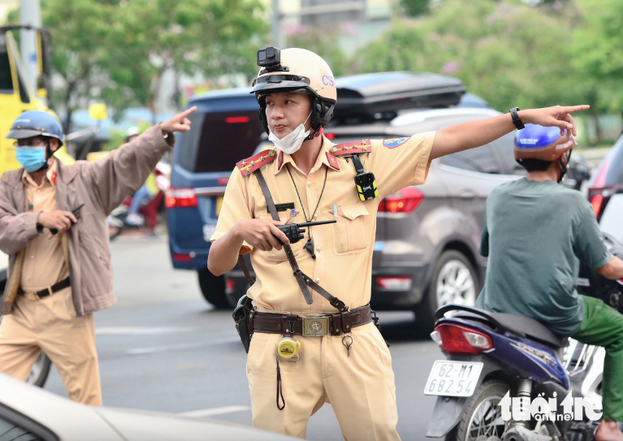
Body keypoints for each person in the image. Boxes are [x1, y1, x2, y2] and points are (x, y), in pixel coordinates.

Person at [206, 46, 589, 440]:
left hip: (353, 342)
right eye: (269, 103)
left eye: (289, 101)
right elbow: (217, 265)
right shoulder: (249, 177)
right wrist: (238, 233)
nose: (277, 115)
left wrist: (518, 118)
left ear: (318, 107)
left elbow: (446, 139)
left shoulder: (363, 163)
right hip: (279, 347)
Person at [0, 107, 195, 405]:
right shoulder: (9, 184)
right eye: (20, 144)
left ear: (53, 145)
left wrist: (160, 131)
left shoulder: (83, 177)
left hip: (66, 309)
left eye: (32, 143)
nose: (24, 150)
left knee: (85, 402)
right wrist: (39, 220)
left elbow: (122, 160)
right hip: (20, 309)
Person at [475, 124, 623, 441]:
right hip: (554, 311)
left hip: (495, 308)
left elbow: (487, 250)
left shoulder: (498, 195)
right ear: (562, 157)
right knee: (620, 331)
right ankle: (609, 427)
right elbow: (607, 267)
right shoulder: (573, 203)